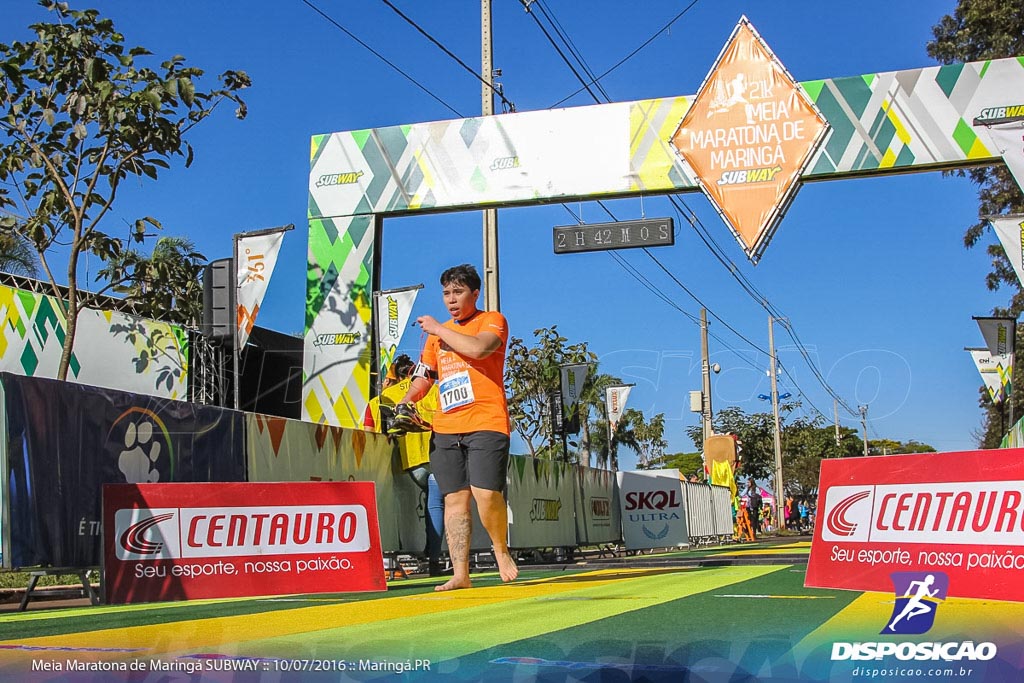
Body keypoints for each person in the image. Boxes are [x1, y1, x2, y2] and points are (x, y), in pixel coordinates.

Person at [396, 264, 518, 591]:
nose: (451, 299)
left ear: (474, 294)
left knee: (485, 493)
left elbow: (479, 349)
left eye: (458, 292)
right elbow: (424, 376)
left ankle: (500, 550)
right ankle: (460, 573)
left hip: (486, 420)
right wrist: (407, 400)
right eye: (447, 293)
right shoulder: (436, 338)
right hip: (446, 425)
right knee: (454, 499)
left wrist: (438, 328)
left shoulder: (492, 320)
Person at [363, 354, 445, 576]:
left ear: (392, 376)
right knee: (436, 504)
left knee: (428, 504)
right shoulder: (434, 390)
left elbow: (367, 435)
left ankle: (426, 552)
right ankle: (434, 559)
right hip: (437, 456)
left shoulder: (379, 401)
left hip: (410, 463)